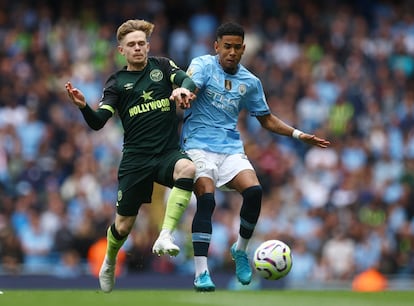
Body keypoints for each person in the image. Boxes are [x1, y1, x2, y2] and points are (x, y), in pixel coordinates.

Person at [179, 21, 331, 291]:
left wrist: (298, 135)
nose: (232, 52)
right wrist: (186, 93)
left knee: (254, 192)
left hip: (230, 148)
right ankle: (201, 272)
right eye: (227, 46)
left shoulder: (250, 82)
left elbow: (266, 119)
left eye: (237, 47)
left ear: (244, 48)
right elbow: (191, 84)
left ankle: (240, 250)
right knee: (207, 198)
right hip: (197, 146)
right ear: (216, 46)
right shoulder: (202, 65)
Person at [65, 19, 197, 293]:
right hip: (136, 159)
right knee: (123, 226)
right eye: (131, 45)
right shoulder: (116, 83)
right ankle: (110, 260)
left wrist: (182, 88)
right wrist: (83, 107)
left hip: (166, 153)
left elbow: (185, 78)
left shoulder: (161, 66)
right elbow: (99, 121)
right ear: (121, 51)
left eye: (141, 44)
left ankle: (165, 234)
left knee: (187, 169)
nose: (137, 48)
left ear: (147, 46)